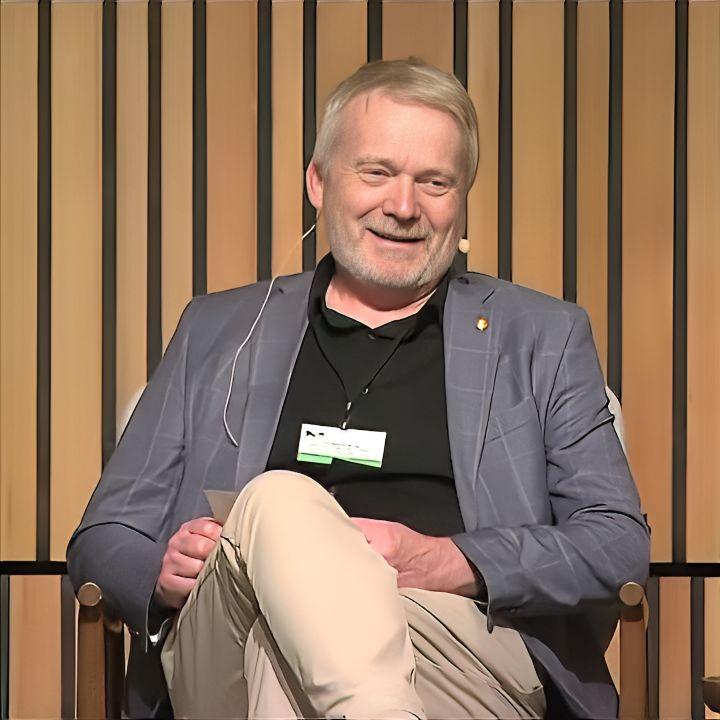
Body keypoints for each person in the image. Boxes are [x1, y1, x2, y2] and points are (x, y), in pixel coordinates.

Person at [67, 58, 650, 720]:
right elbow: (104, 534)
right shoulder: (217, 329)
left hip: (448, 648)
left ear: (462, 198)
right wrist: (160, 574)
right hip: (223, 643)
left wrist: (450, 560)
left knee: (282, 662)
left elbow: (616, 544)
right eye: (376, 173)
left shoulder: (541, 337)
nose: (403, 206)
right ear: (318, 182)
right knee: (279, 503)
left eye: (434, 182)